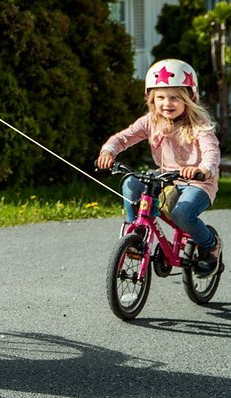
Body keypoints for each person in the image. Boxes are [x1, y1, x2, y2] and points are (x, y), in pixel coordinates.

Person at [94, 59, 223, 275]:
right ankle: (134, 232)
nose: (167, 103)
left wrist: (203, 168)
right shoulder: (151, 121)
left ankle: (210, 245)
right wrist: (108, 151)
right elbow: (125, 137)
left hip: (197, 183)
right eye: (160, 97)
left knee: (183, 214)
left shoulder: (199, 124)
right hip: (166, 177)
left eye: (174, 97)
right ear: (152, 99)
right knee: (130, 184)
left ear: (189, 97)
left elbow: (212, 151)